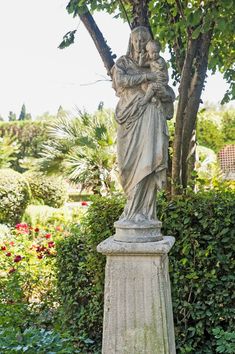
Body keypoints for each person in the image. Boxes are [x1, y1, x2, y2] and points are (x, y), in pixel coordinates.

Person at [112, 26, 174, 224]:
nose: (139, 43)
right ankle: (131, 209)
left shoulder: (156, 63)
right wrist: (146, 77)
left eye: (143, 40)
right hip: (128, 118)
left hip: (150, 117)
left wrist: (163, 94)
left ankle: (144, 213)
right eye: (135, 40)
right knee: (126, 165)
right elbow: (120, 81)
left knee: (149, 161)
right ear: (131, 41)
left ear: (148, 43)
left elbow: (169, 92)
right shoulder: (122, 62)